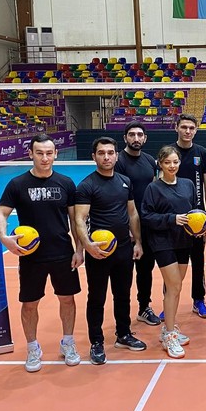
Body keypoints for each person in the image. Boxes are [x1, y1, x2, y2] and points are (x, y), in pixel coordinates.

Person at [0, 133, 84, 372]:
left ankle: (68, 343)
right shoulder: (17, 184)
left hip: (62, 253)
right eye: (40, 153)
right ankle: (33, 348)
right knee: (29, 303)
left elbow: (75, 220)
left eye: (49, 153)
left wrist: (79, 249)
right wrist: (4, 237)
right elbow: (1, 213)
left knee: (67, 299)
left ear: (55, 154)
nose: (45, 158)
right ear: (31, 154)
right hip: (31, 256)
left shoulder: (66, 183)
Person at [74, 137, 145, 365]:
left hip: (124, 249)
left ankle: (123, 334)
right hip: (99, 252)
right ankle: (96, 342)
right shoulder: (87, 185)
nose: (106, 157)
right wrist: (87, 246)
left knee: (123, 295)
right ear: (93, 156)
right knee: (97, 298)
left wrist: (138, 242)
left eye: (110, 153)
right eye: (101, 153)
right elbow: (79, 219)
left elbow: (132, 213)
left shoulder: (125, 181)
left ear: (116, 155)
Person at [142, 145, 198, 359]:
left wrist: (199, 225)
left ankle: (169, 328)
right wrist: (172, 219)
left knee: (175, 287)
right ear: (160, 164)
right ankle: (169, 335)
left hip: (184, 240)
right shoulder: (153, 188)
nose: (172, 166)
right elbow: (147, 216)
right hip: (162, 241)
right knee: (174, 286)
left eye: (175, 162)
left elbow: (194, 210)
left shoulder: (188, 184)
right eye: (167, 163)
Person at [113, 121, 160, 327]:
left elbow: (154, 189)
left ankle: (144, 307)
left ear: (145, 138)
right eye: (132, 134)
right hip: (125, 227)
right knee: (124, 273)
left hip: (147, 225)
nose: (136, 138)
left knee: (145, 269)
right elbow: (117, 195)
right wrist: (128, 227)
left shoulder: (149, 161)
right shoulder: (118, 161)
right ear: (125, 138)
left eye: (140, 135)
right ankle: (122, 317)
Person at [173, 114, 206, 318]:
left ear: (196, 130)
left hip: (197, 218)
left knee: (198, 262)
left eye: (191, 128)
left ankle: (199, 300)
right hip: (176, 218)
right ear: (177, 128)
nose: (187, 131)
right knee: (173, 265)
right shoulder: (169, 152)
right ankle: (169, 301)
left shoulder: (201, 152)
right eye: (184, 127)